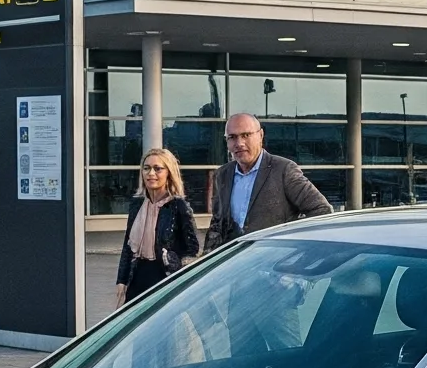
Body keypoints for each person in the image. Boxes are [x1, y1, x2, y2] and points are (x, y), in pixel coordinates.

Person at [203, 111, 333, 250]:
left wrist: (294, 246)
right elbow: (217, 223)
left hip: (273, 262)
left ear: (260, 135)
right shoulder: (222, 175)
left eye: (246, 135)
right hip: (235, 263)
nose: (239, 143)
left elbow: (322, 210)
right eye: (232, 137)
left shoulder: (283, 170)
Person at [116, 148, 200, 302]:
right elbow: (127, 246)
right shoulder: (137, 204)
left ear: (169, 173)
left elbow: (192, 249)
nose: (151, 173)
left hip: (164, 275)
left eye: (158, 169)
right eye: (146, 168)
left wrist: (176, 267)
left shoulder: (178, 206)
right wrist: (121, 280)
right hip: (138, 273)